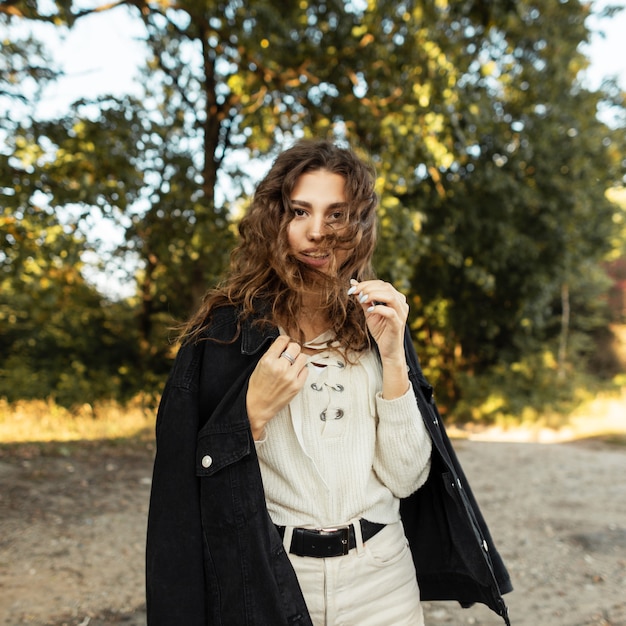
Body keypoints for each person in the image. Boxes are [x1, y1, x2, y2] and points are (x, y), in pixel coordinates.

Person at [146, 139, 512, 626]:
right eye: (300, 211)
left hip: (382, 579)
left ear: (358, 225)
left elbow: (406, 477)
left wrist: (393, 356)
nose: (317, 232)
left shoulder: (379, 322)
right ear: (276, 218)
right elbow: (182, 487)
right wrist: (249, 415)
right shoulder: (224, 333)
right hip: (270, 575)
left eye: (336, 215)